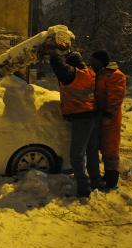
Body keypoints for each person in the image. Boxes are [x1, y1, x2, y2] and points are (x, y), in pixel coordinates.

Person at [50, 51, 102, 198]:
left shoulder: (74, 75)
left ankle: (83, 187)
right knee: (91, 151)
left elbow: (58, 66)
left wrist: (55, 52)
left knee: (77, 154)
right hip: (92, 115)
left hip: (82, 118)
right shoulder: (89, 72)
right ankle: (95, 180)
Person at [90, 50, 126, 190]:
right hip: (99, 116)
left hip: (110, 118)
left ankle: (111, 180)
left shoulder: (115, 76)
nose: (91, 63)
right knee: (100, 147)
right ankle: (105, 175)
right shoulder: (98, 74)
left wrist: (108, 115)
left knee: (110, 148)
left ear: (100, 62)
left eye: (93, 61)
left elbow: (116, 98)